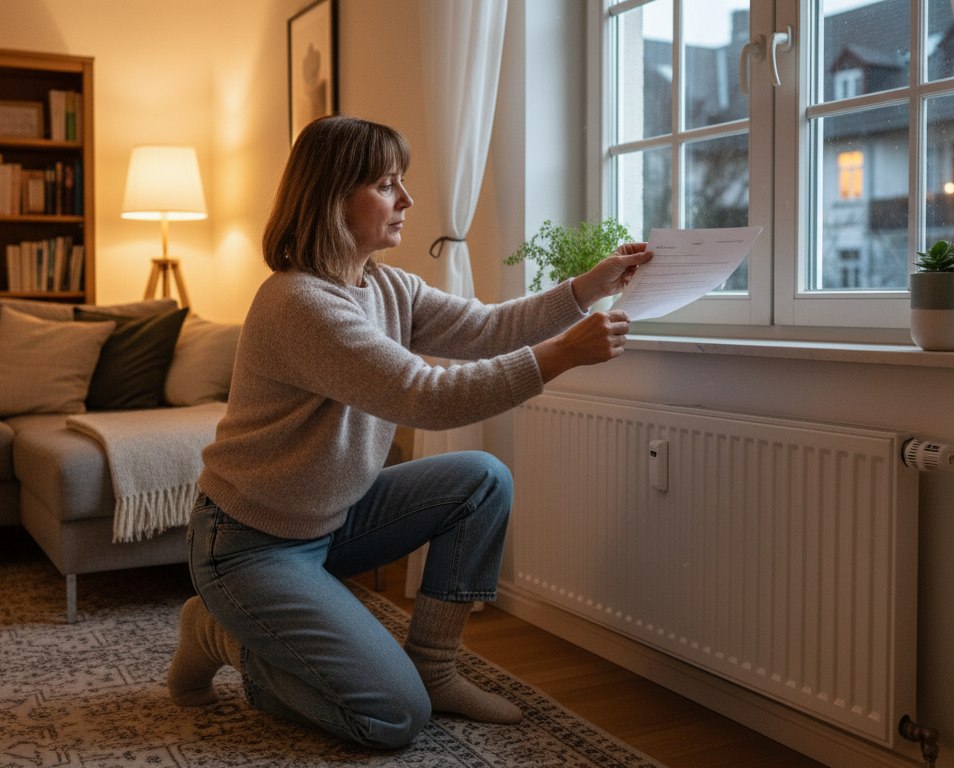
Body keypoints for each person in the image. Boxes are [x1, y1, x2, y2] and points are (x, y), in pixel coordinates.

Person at [168, 115, 651, 750]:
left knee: (481, 480)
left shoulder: (386, 285)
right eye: (388, 184)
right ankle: (218, 633)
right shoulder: (300, 304)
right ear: (334, 198)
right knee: (392, 717)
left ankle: (435, 666)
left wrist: (590, 285)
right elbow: (427, 396)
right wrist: (561, 354)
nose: (408, 200)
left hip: (331, 520)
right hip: (249, 545)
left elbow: (486, 329)